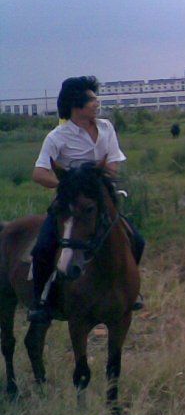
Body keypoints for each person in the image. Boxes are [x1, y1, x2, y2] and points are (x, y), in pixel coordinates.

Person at [28, 76, 145, 324]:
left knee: (137, 240)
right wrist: (68, 187)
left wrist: (101, 181)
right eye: (92, 99)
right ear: (76, 105)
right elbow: (39, 173)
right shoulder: (57, 137)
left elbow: (113, 160)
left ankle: (131, 291)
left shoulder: (106, 128)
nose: (96, 103)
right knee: (43, 249)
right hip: (70, 208)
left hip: (100, 203)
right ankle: (41, 303)